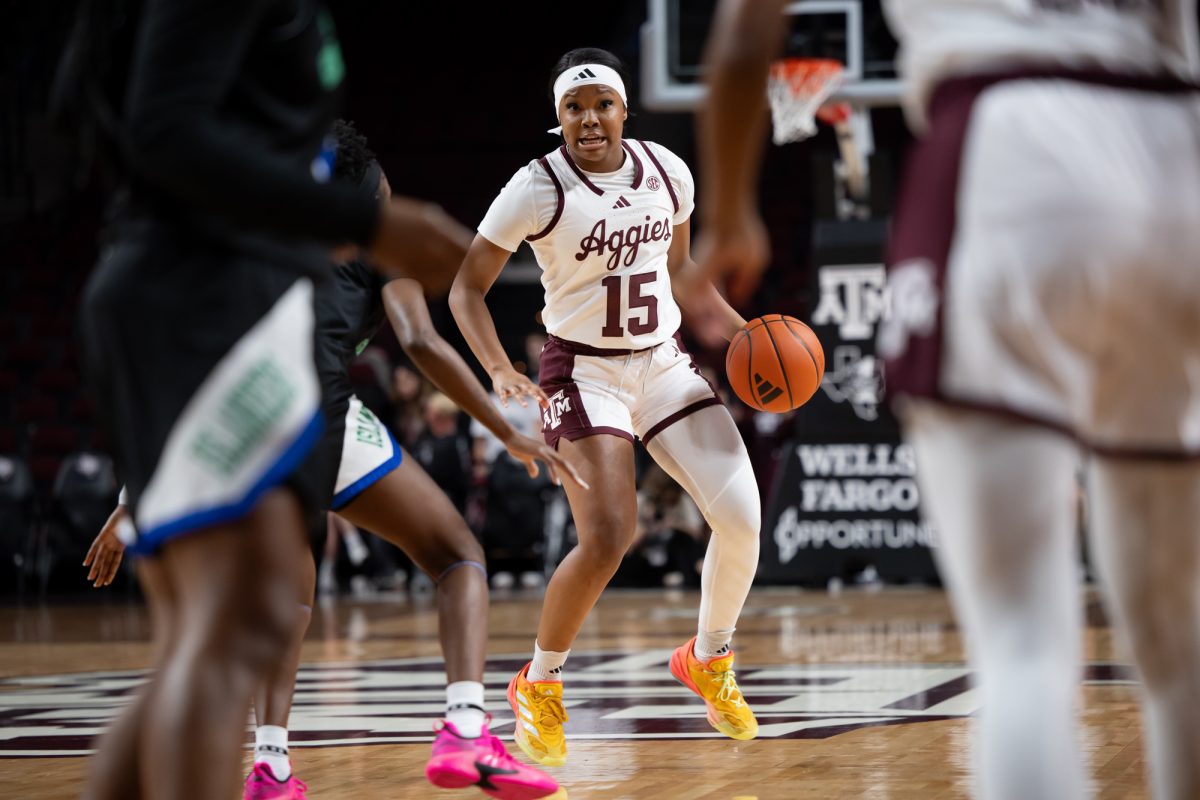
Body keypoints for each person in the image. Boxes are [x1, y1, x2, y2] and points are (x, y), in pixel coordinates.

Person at [696, 1, 1200, 798]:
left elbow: (746, 25)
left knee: (1023, 646)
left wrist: (728, 210)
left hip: (1013, 137)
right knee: (1184, 643)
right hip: (1180, 152)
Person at [81, 120, 578, 800]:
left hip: (245, 407)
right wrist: (506, 429)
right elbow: (420, 341)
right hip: (315, 408)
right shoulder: (377, 224)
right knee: (457, 555)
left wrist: (132, 496)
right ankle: (465, 727)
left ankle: (272, 767)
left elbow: (199, 375)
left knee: (278, 610)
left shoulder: (252, 235)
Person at [55, 1, 474, 798]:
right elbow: (163, 133)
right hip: (199, 294)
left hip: (234, 299)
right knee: (228, 629)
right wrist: (365, 222)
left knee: (228, 629)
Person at [450, 47, 764, 767]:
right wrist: (499, 367)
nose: (589, 119)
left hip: (661, 362)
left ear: (624, 109)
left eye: (601, 104)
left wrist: (741, 330)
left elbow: (681, 270)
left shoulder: (666, 171)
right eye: (574, 108)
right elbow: (466, 289)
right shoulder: (535, 186)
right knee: (608, 537)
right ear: (558, 119)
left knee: (743, 519)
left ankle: (709, 658)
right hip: (580, 371)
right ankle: (539, 681)